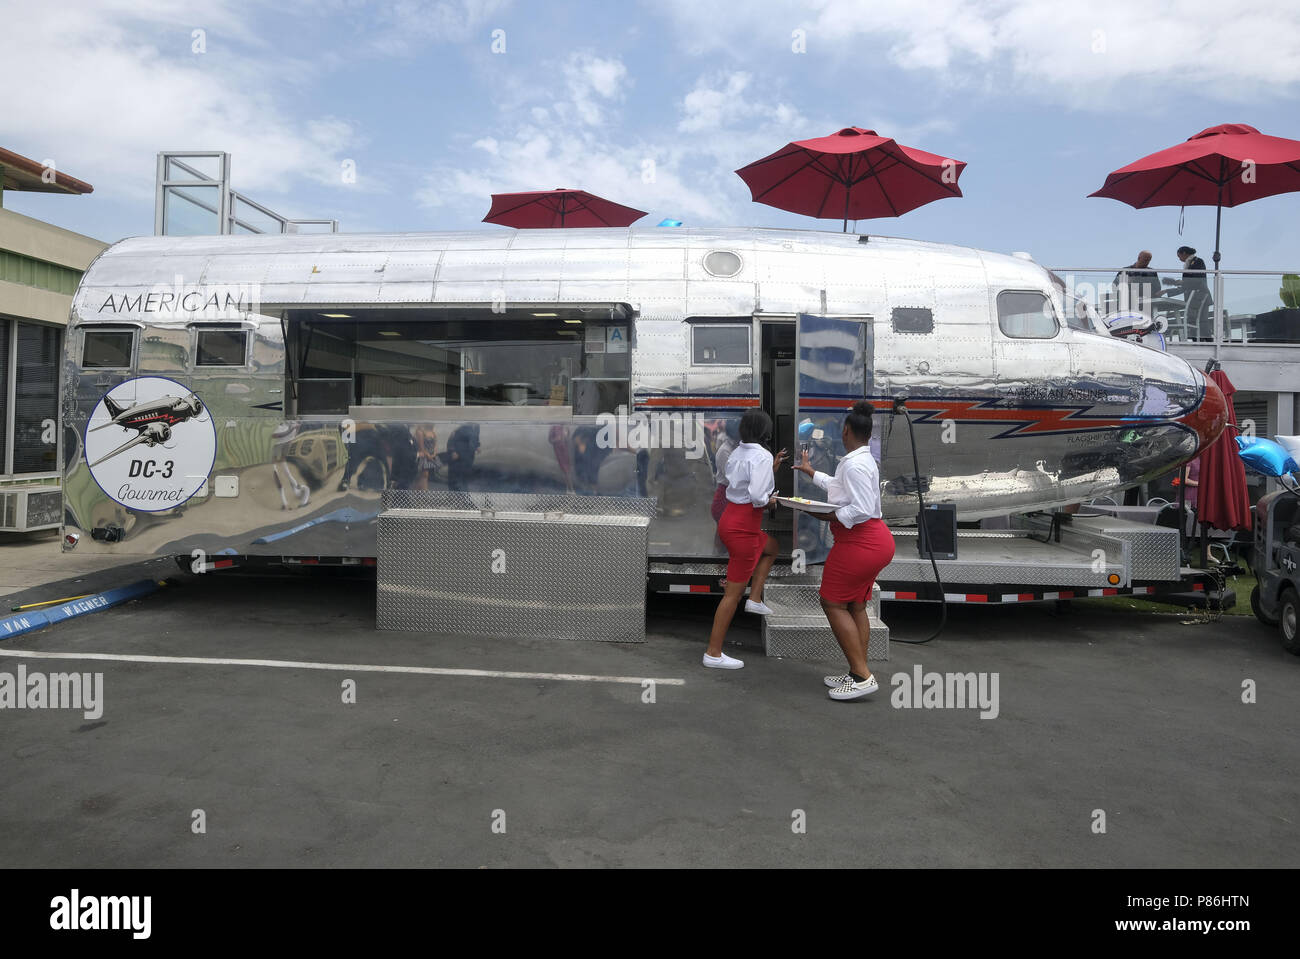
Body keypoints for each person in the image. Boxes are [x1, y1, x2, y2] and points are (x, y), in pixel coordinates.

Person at [794, 400, 896, 701]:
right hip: (875, 541)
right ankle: (857, 670)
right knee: (855, 605)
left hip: (859, 542)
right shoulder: (860, 460)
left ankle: (862, 676)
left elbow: (861, 507)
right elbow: (842, 487)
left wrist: (828, 514)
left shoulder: (853, 463)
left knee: (831, 602)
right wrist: (812, 472)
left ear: (847, 430)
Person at [704, 410, 787, 669]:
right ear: (764, 432)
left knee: (772, 546)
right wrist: (772, 499)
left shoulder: (738, 451)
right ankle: (713, 653)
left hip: (732, 518)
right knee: (732, 594)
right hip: (744, 526)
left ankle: (755, 599)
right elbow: (759, 497)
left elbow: (737, 486)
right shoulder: (761, 455)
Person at [1164, 246, 1213, 340]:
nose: (1179, 259)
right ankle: (1197, 341)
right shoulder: (1188, 264)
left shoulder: (1198, 261)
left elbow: (1197, 279)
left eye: (1179, 256)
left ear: (1184, 253)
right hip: (1193, 299)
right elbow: (1185, 286)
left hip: (1200, 296)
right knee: (1193, 322)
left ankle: (1209, 342)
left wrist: (1182, 282)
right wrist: (1167, 290)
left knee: (1202, 322)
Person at [1112, 250, 1162, 315]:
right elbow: (1115, 286)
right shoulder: (1125, 271)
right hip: (1128, 305)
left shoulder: (1151, 272)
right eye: (1145, 260)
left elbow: (1157, 288)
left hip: (1146, 305)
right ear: (1139, 258)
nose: (1147, 262)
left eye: (1148, 260)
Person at [710, 419, 741, 523]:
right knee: (724, 532)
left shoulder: (736, 447)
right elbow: (733, 479)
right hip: (725, 498)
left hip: (732, 497)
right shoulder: (725, 450)